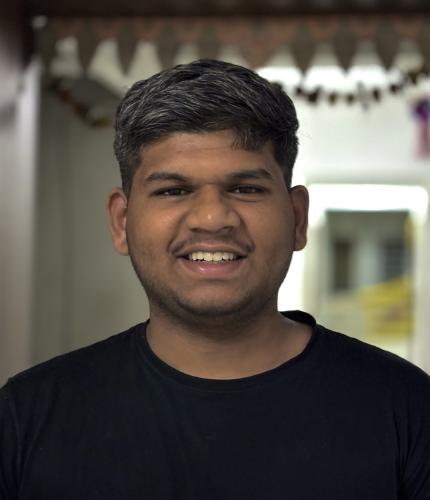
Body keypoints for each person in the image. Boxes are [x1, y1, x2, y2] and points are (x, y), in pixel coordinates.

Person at [0, 60, 429, 500]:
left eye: (246, 188)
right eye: (173, 190)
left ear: (297, 218)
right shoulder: (27, 417)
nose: (211, 218)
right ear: (121, 222)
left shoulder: (407, 409)